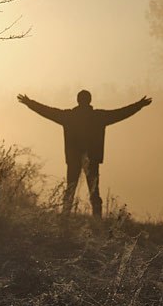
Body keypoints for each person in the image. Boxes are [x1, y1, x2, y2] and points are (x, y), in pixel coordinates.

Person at [17, 90, 152, 217]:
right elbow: (121, 113)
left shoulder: (69, 116)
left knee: (70, 189)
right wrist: (139, 105)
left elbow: (47, 111)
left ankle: (65, 216)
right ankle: (97, 219)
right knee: (94, 191)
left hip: (73, 158)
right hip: (92, 158)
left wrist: (30, 103)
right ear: (90, 100)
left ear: (78, 100)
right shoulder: (99, 117)